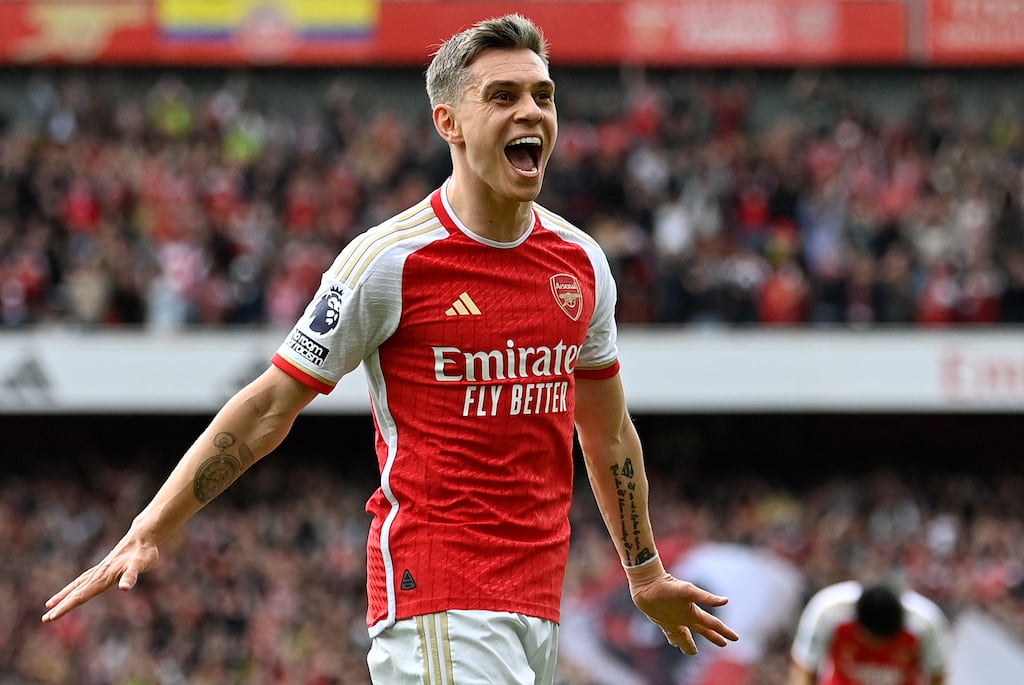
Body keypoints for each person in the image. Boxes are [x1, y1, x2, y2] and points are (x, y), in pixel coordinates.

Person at [41, 13, 739, 684]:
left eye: (543, 95)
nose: (532, 111)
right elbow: (268, 406)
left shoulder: (581, 264)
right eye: (503, 96)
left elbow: (607, 428)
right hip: (435, 594)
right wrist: (153, 525)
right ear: (449, 123)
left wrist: (644, 571)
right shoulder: (386, 261)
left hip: (535, 602)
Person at [788, 579, 950, 685]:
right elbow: (805, 667)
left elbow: (937, 674)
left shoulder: (926, 623)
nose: (877, 647)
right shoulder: (828, 611)